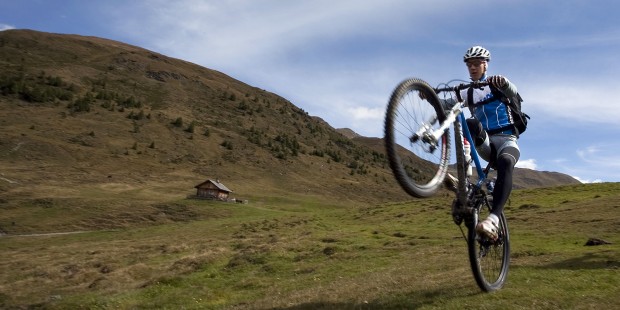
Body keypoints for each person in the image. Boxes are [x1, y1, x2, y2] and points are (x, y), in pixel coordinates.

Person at [446, 45, 521, 240]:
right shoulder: (467, 92)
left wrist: (503, 82)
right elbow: (445, 104)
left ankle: (493, 219)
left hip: (507, 141)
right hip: (485, 143)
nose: (472, 68)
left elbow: (512, 90)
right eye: (469, 64)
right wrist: (427, 95)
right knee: (470, 122)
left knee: (505, 162)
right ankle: (464, 178)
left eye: (477, 64)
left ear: (485, 65)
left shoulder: (495, 84)